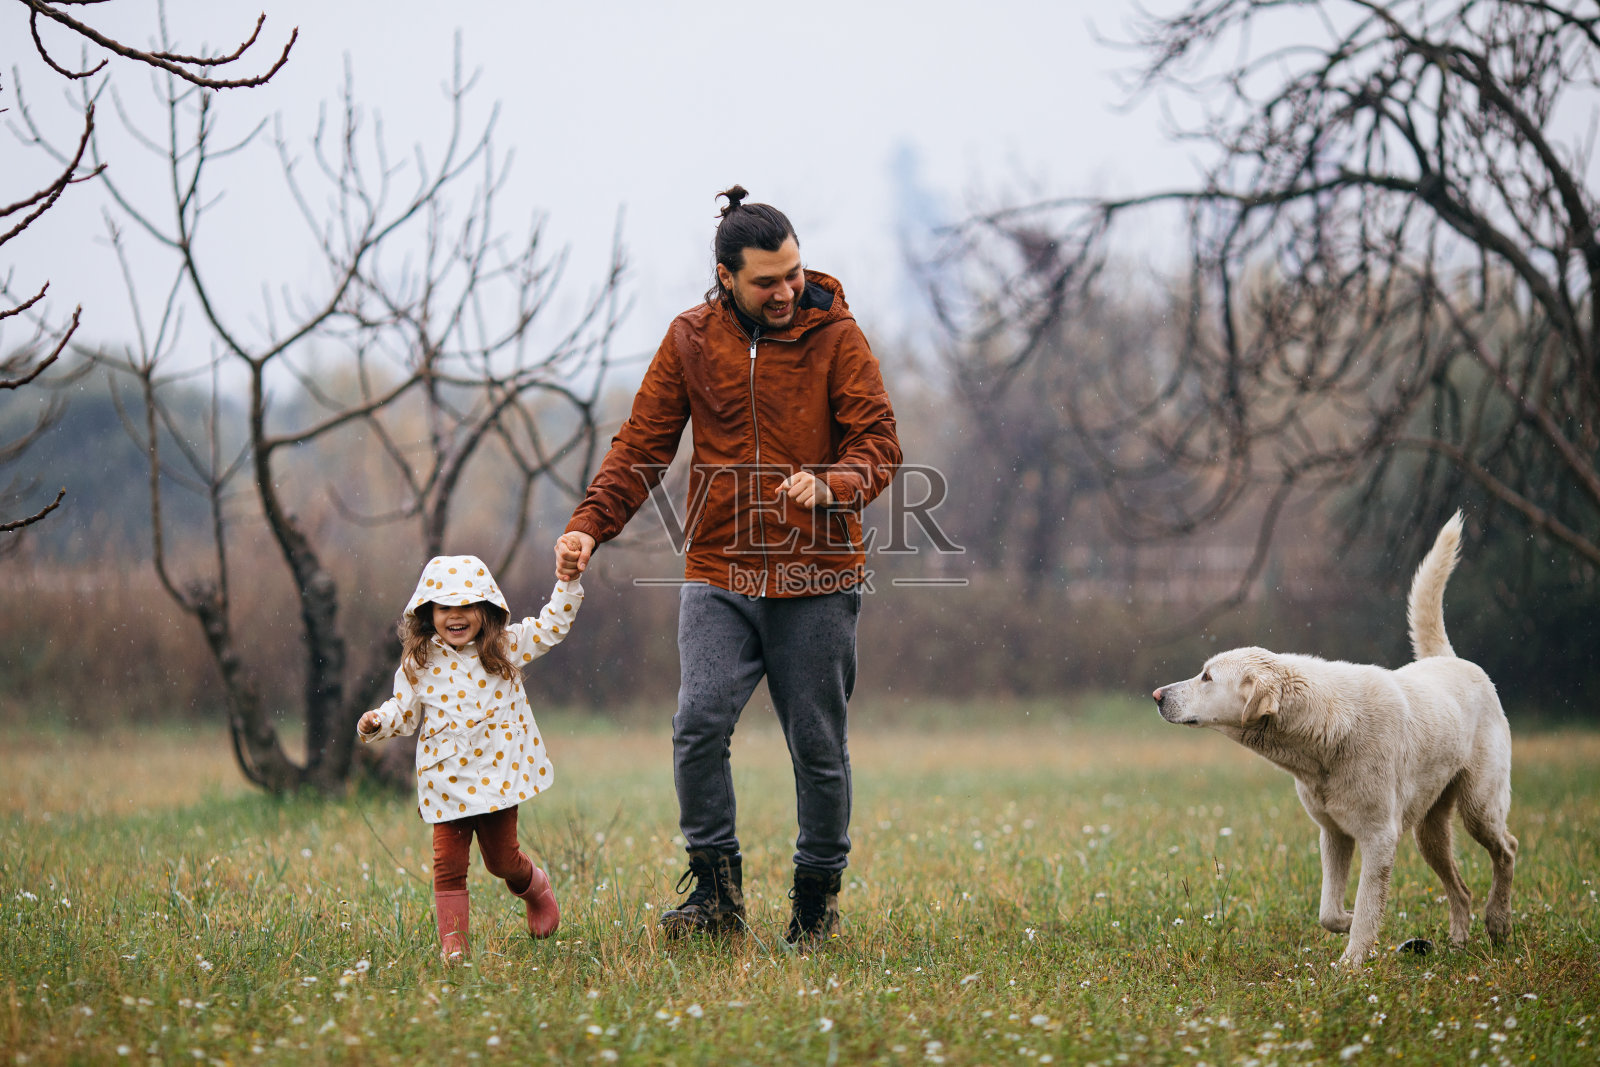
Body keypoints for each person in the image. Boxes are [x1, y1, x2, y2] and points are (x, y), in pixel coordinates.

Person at [554, 186, 901, 946]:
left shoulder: (837, 337)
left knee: (816, 742)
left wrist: (833, 484)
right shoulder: (689, 339)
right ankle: (715, 896)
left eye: (794, 273)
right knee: (699, 721)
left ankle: (815, 905)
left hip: (818, 574)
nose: (787, 291)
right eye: (767, 280)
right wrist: (589, 526)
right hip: (722, 570)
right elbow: (642, 445)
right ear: (726, 276)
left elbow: (879, 444)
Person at [357, 550, 585, 962]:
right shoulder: (420, 661)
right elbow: (404, 713)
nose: (455, 615)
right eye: (445, 607)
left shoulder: (505, 646)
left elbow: (552, 627)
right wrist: (378, 720)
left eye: (466, 605)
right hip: (445, 781)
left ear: (486, 608)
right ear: (428, 612)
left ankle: (536, 889)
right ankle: (455, 947)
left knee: (501, 861)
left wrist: (567, 583)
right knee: (447, 865)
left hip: (498, 777)